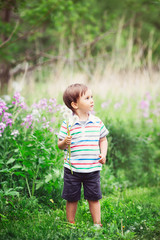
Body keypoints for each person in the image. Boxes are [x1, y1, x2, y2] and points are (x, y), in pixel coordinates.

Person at [58, 83, 109, 227]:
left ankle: (97, 224)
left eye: (91, 97)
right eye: (87, 98)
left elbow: (103, 139)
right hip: (72, 169)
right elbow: (59, 144)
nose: (92, 100)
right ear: (74, 104)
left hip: (92, 168)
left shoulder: (97, 122)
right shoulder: (68, 124)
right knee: (72, 198)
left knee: (94, 197)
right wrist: (65, 142)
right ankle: (70, 223)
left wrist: (103, 154)